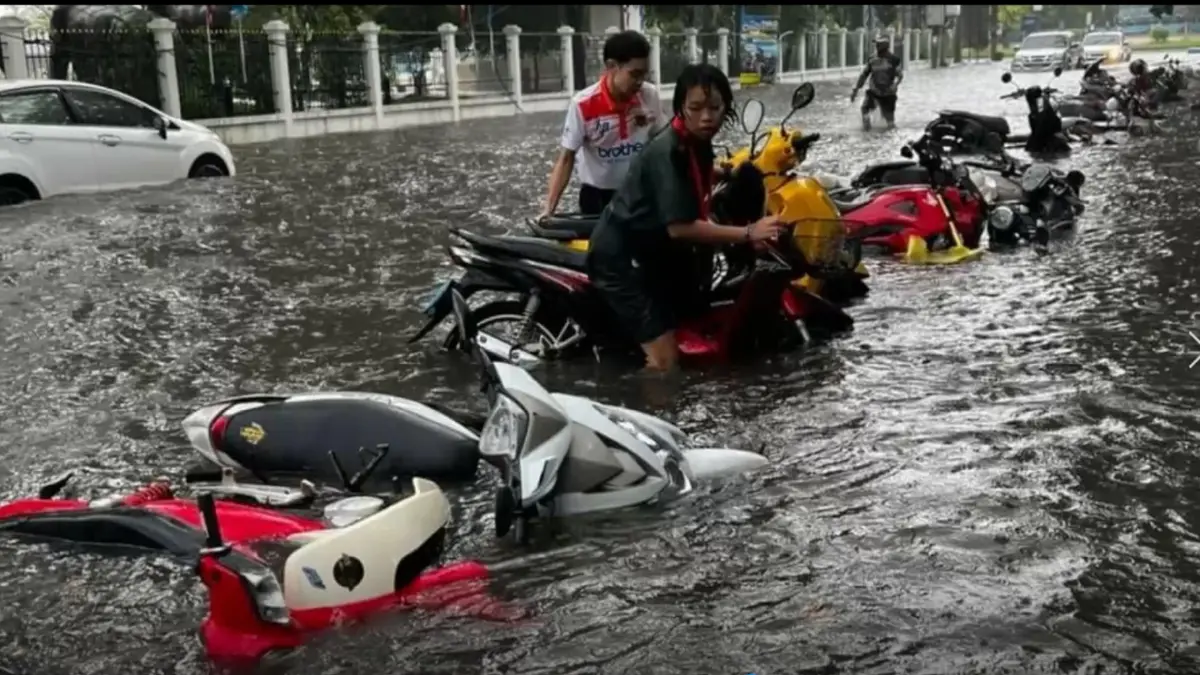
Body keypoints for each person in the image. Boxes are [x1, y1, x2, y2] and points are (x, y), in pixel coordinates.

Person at [586, 63, 784, 372]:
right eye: (696, 108)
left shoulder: (695, 140)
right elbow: (679, 228)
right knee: (666, 363)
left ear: (726, 108)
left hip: (655, 255)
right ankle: (646, 413)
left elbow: (701, 170)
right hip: (622, 260)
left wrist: (733, 174)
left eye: (715, 108)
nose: (707, 117)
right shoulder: (668, 150)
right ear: (681, 107)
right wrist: (748, 233)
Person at [538, 30, 663, 219]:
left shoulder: (649, 95)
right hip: (596, 196)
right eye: (634, 74)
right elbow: (566, 159)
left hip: (638, 192)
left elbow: (663, 141)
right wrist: (549, 210)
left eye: (644, 75)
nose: (640, 82)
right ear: (611, 66)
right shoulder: (583, 104)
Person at [850, 36, 904, 131]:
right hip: (874, 91)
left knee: (890, 122)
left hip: (888, 93)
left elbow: (900, 75)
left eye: (878, 46)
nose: (876, 48)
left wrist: (895, 84)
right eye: (876, 46)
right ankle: (867, 130)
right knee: (865, 109)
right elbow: (864, 75)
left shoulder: (894, 60)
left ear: (885, 48)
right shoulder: (872, 59)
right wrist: (856, 90)